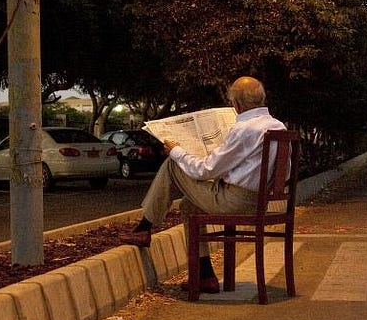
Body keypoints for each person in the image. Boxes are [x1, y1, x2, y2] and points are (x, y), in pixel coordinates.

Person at [118, 76, 287, 294]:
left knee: (172, 165)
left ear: (235, 104)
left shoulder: (244, 129)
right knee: (189, 206)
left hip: (235, 203)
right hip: (260, 203)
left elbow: (206, 170)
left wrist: (177, 150)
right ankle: (205, 276)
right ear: (262, 99)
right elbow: (283, 172)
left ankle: (144, 227)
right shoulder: (279, 127)